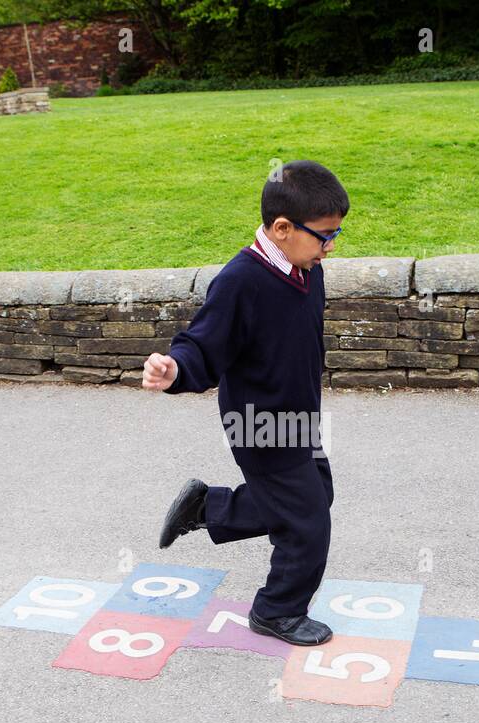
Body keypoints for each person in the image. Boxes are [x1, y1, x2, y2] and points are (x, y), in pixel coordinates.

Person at [141, 160, 349, 647]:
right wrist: (175, 370)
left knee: (318, 494)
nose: (331, 246)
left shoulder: (305, 268)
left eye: (337, 233)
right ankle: (277, 610)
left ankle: (210, 507)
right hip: (258, 424)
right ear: (282, 228)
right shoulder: (241, 281)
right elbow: (203, 341)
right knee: (308, 523)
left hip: (297, 416)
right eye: (324, 235)